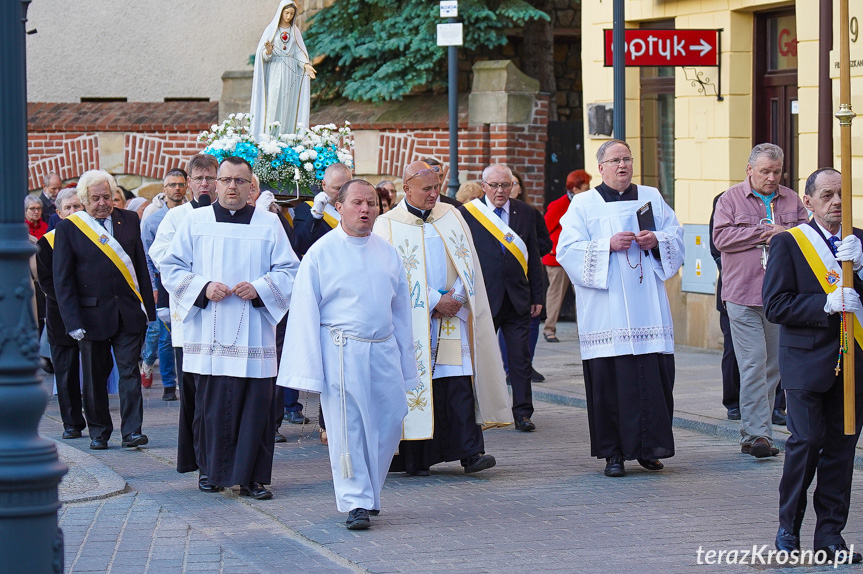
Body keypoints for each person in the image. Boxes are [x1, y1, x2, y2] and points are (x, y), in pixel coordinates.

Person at [279, 179, 417, 529]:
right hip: (341, 350)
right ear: (338, 207)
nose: (366, 209)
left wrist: (406, 361)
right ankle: (355, 501)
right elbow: (305, 311)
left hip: (383, 347)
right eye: (357, 202)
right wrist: (308, 368)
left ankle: (369, 491)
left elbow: (401, 310)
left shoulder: (388, 252)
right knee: (348, 426)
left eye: (371, 203)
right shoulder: (321, 253)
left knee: (389, 420)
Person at [161, 156, 299, 500]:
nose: (232, 187)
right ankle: (211, 472)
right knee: (210, 406)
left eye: (240, 181)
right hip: (207, 332)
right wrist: (203, 287)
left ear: (252, 187)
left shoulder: (269, 224)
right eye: (226, 180)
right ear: (215, 184)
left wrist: (261, 288)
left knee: (255, 409)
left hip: (253, 330)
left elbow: (289, 270)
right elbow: (171, 267)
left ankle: (253, 478)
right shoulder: (195, 222)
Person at [556, 139, 684, 477]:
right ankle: (613, 454)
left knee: (652, 379)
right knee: (610, 382)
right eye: (615, 160)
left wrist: (658, 241)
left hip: (647, 306)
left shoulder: (651, 197)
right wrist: (606, 245)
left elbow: (676, 235)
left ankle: (649, 448)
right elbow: (565, 250)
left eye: (627, 159)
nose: (622, 165)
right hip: (606, 310)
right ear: (601, 168)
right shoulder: (584, 204)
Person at [376, 161, 510, 476]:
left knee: (456, 383)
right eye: (427, 189)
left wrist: (457, 298)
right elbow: (390, 276)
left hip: (452, 317)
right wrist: (435, 299)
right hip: (412, 323)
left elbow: (469, 263)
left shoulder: (452, 216)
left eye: (437, 187)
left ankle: (470, 452)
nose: (435, 194)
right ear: (406, 188)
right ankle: (416, 458)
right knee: (416, 385)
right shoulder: (387, 225)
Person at [763, 167, 863, 564]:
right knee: (805, 444)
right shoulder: (790, 244)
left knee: (841, 451)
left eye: (842, 194)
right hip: (806, 363)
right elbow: (775, 305)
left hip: (853, 363)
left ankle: (830, 537)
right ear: (808, 202)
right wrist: (824, 302)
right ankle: (788, 529)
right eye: (827, 195)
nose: (836, 202)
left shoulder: (859, 242)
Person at [713, 143, 808, 458]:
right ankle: (757, 436)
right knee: (753, 363)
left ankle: (758, 430)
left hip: (780, 296)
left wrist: (788, 232)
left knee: (773, 366)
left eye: (776, 172)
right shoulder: (730, 199)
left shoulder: (791, 199)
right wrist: (763, 232)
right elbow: (721, 238)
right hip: (742, 294)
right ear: (749, 170)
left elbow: (809, 234)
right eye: (765, 171)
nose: (771, 178)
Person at [53, 170, 156, 451]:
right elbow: (63, 279)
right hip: (90, 316)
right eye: (96, 198)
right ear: (85, 199)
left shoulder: (130, 220)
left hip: (127, 312)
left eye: (107, 197)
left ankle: (132, 431)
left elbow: (140, 268)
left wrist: (149, 311)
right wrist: (72, 320)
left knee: (129, 373)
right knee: (95, 378)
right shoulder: (69, 228)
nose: (102, 203)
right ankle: (99, 431)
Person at [149, 153, 218, 485]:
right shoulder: (176, 217)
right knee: (194, 393)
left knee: (221, 391)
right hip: (190, 315)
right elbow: (161, 256)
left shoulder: (232, 217)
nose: (204, 184)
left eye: (210, 177)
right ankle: (200, 460)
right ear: (189, 182)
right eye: (199, 178)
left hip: (227, 315)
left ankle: (220, 455)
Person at [460, 163, 543, 431]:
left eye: (505, 185)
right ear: (483, 187)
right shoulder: (470, 214)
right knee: (481, 356)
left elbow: (534, 256)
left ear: (513, 186)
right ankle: (480, 410)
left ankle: (523, 413)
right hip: (485, 297)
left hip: (518, 298)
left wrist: (537, 295)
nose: (500, 191)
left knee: (520, 359)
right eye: (494, 185)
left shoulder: (526, 212)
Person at [36, 188, 86, 439]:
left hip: (93, 314)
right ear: (58, 212)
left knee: (93, 370)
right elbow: (46, 281)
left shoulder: (95, 239)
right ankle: (72, 423)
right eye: (68, 208)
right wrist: (72, 304)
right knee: (65, 373)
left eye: (78, 206)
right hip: (60, 316)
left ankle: (98, 421)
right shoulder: (47, 242)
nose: (74, 212)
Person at [140, 169, 187, 400]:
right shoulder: (153, 220)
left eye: (180, 184)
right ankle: (169, 383)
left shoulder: (196, 214)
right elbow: (147, 256)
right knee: (165, 334)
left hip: (189, 279)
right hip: (163, 281)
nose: (176, 189)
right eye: (172, 185)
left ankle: (185, 380)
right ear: (164, 189)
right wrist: (153, 287)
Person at [250, 0, 315, 137]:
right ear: (281, 12)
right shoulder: (271, 30)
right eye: (286, 13)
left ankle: (286, 136)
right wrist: (268, 51)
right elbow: (263, 57)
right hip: (275, 70)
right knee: (274, 102)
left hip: (290, 71)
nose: (289, 16)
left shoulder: (294, 31)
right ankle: (270, 136)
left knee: (288, 104)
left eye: (291, 13)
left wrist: (305, 65)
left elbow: (298, 51)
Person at [543, 169, 591, 343]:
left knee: (582, 293)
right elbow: (546, 229)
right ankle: (549, 329)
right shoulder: (559, 204)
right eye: (585, 188)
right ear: (575, 189)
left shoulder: (586, 204)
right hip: (557, 257)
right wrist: (550, 249)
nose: (588, 191)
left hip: (578, 256)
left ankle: (584, 329)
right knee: (556, 293)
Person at [293, 162, 352, 255]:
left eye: (346, 188)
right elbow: (302, 246)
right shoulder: (306, 209)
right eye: (337, 188)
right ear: (324, 185)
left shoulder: (358, 209)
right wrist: (316, 215)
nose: (342, 193)